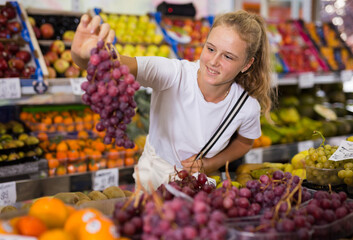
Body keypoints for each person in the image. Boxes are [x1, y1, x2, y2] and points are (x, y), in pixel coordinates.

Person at [71, 10, 275, 192]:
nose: (213, 61)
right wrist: (85, 54)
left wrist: (212, 163)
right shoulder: (173, 74)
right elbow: (114, 64)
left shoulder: (246, 107)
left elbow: (245, 141)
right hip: (152, 179)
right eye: (210, 49)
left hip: (196, 187)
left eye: (228, 57)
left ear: (247, 64)